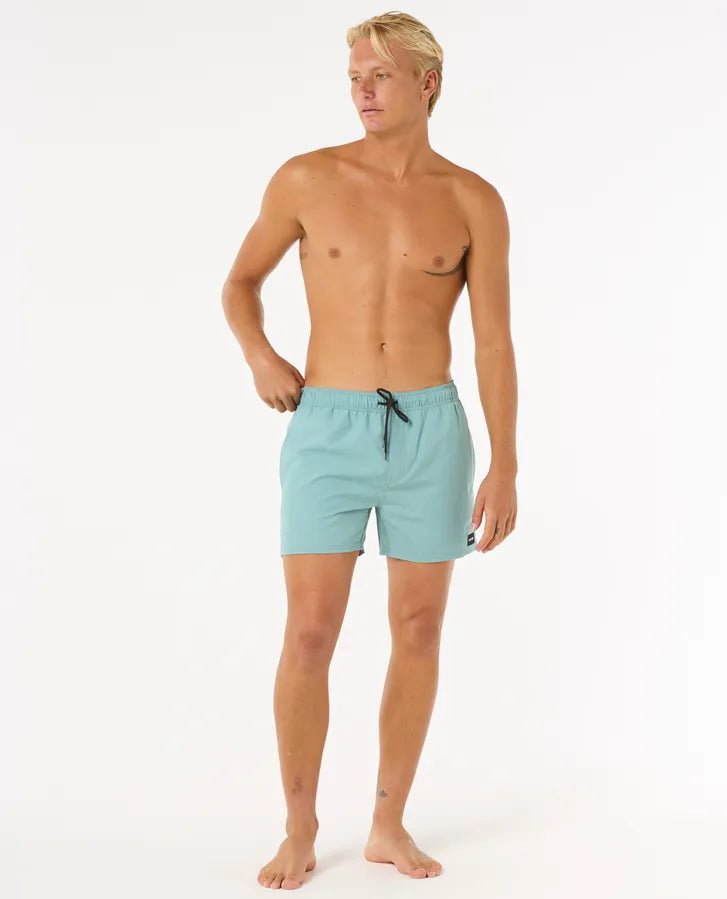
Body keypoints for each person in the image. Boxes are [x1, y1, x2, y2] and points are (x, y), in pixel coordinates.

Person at [221, 10, 518, 890]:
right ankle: (300, 826)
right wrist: (261, 354)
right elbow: (239, 282)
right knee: (310, 631)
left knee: (418, 628)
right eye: (354, 76)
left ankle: (387, 821)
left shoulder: (472, 198)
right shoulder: (306, 178)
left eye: (379, 75)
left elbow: (493, 342)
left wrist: (505, 462)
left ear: (427, 82)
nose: (361, 90)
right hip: (327, 427)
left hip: (432, 430)